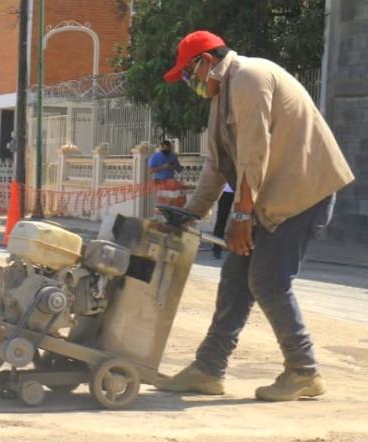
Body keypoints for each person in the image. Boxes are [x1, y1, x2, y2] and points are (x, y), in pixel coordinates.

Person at [156, 31, 354, 401]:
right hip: (272, 196)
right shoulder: (221, 96)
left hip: (302, 195)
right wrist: (186, 215)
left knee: (267, 280)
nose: (190, 83)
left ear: (207, 62)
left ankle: (304, 371)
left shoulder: (249, 76)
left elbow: (253, 153)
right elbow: (217, 167)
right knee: (235, 277)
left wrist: (241, 215)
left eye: (188, 74)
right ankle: (208, 369)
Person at [148, 139, 185, 208]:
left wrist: (177, 167)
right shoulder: (155, 156)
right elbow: (151, 170)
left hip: (171, 183)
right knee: (161, 203)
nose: (166, 150)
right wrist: (163, 167)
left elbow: (179, 169)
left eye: (168, 148)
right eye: (164, 148)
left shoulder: (173, 156)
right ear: (161, 148)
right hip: (159, 182)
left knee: (171, 203)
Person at [211, 183, 234, 259]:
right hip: (226, 190)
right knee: (221, 219)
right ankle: (216, 248)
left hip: (241, 190)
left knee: (242, 218)